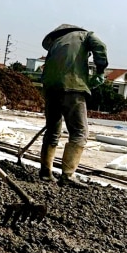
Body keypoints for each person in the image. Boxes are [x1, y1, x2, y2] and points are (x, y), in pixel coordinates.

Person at [38, 24, 108, 186]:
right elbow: (100, 47)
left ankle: (45, 172)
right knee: (79, 132)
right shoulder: (85, 36)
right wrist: (100, 70)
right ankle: (67, 175)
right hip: (72, 88)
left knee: (52, 130)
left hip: (50, 89)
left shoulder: (56, 44)